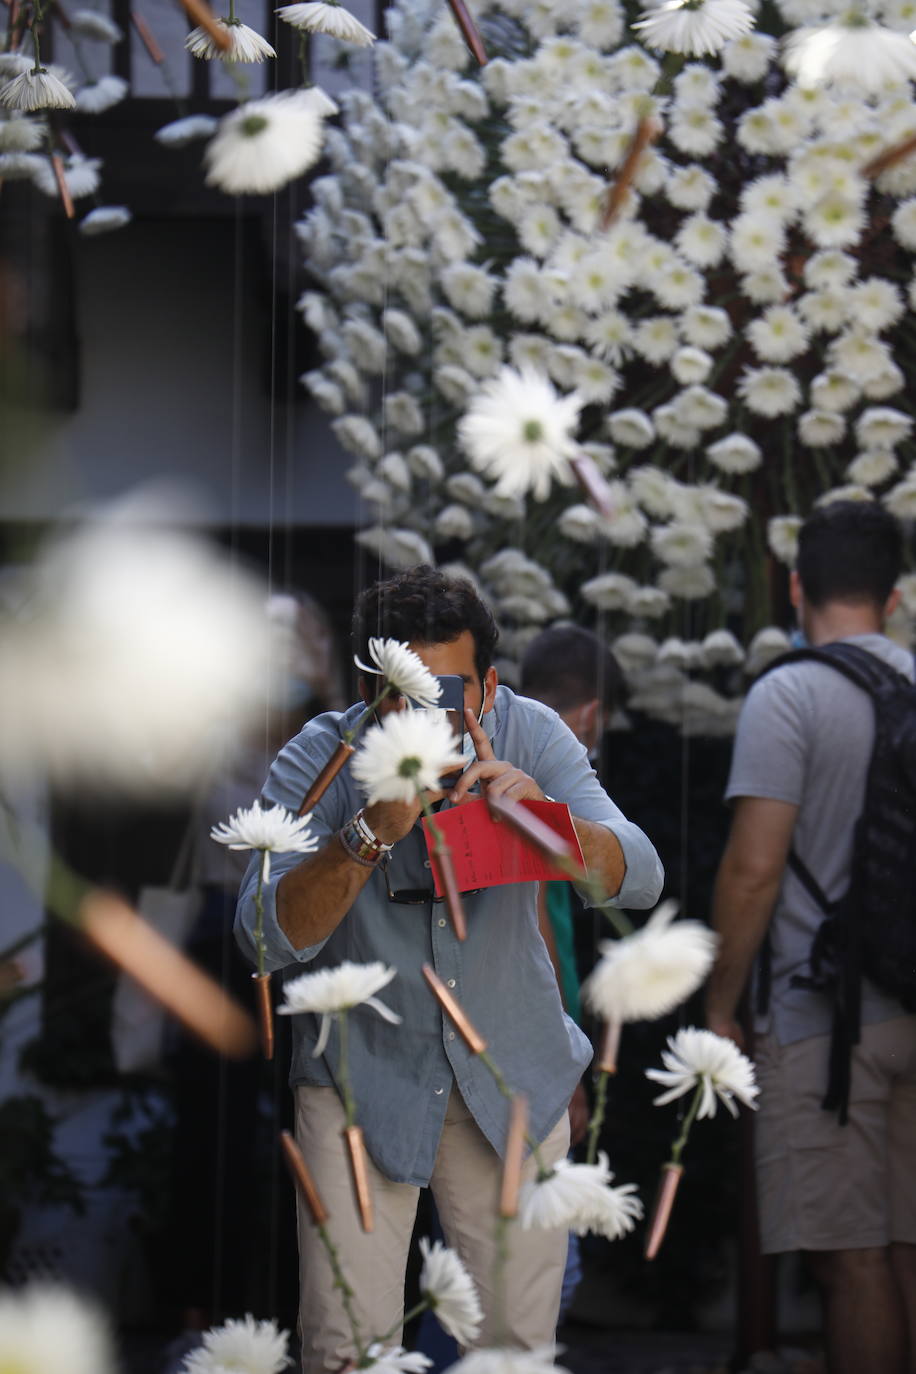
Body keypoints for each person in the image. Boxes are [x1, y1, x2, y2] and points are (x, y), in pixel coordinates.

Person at [235, 566, 663, 1374]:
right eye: (399, 692)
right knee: (347, 1355)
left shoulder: (531, 730)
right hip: (359, 1081)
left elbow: (641, 875)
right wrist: (370, 828)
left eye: (446, 692)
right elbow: (259, 935)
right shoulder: (323, 755)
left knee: (513, 1353)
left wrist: (547, 822)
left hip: (510, 1076)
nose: (420, 715)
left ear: (490, 688)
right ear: (367, 690)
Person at [704, 501, 916, 1374]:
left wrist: (721, 1003)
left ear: (796, 587)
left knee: (851, 1257)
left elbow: (754, 869)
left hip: (821, 1016)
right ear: (895, 598)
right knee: (908, 1246)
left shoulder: (788, 694)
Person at [519, 623, 628, 1321]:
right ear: (589, 715)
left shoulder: (490, 757)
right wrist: (568, 1064)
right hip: (528, 1053)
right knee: (536, 1275)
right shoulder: (542, 786)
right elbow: (536, 927)